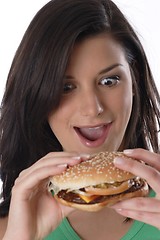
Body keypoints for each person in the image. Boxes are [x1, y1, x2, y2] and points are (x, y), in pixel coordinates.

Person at [0, 0, 160, 239]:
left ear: (134, 80)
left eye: (109, 81)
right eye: (66, 87)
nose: (92, 108)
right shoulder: (9, 228)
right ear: (37, 95)